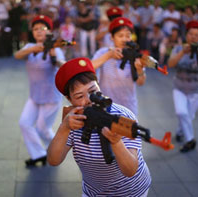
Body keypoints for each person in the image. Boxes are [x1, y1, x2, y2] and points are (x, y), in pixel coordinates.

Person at [47, 57, 151, 196]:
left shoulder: (123, 115)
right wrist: (64, 127)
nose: (89, 100)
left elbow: (130, 170)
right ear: (69, 99)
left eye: (92, 91)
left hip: (132, 191)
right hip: (93, 192)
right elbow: (53, 160)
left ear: (99, 85)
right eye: (79, 96)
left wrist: (116, 143)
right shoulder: (73, 119)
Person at [14, 15, 65, 167]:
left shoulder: (54, 48)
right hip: (34, 96)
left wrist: (54, 56)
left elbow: (62, 65)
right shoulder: (30, 47)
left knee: (43, 129)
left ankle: (58, 149)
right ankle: (40, 154)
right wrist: (34, 48)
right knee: (24, 123)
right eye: (35, 29)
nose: (39, 31)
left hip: (51, 96)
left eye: (42, 28)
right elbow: (17, 55)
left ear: (49, 31)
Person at [168, 20, 198, 152]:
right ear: (186, 35)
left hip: (196, 90)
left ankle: (180, 132)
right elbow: (170, 64)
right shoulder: (178, 48)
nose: (193, 37)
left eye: (196, 35)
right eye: (191, 34)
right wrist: (182, 53)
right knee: (181, 112)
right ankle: (190, 140)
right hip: (179, 87)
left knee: (188, 117)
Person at [91, 17, 146, 116]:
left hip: (128, 108)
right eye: (120, 35)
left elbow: (141, 82)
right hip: (106, 106)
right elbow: (90, 67)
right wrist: (109, 55)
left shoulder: (135, 55)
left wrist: (139, 69)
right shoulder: (103, 52)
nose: (125, 39)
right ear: (112, 37)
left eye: (128, 36)